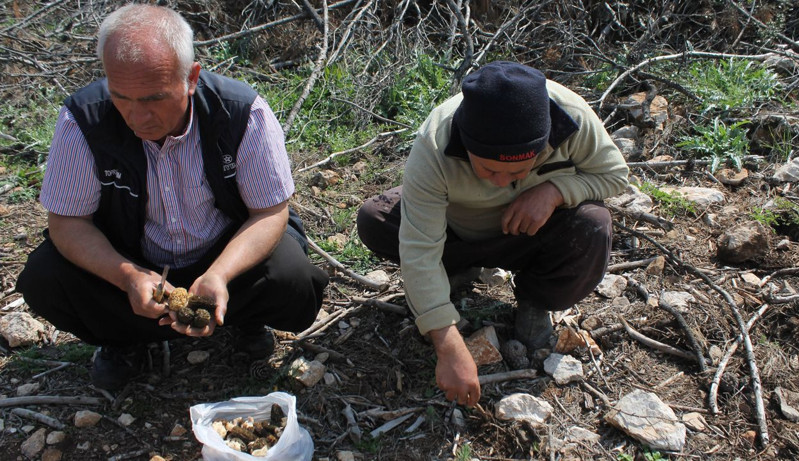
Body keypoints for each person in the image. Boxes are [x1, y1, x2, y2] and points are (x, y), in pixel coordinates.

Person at [16, 4, 328, 390]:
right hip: (131, 261)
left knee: (291, 275)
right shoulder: (83, 120)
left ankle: (242, 318)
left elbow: (269, 212)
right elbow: (67, 222)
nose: (136, 117)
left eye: (153, 99)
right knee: (45, 278)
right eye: (122, 97)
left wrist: (220, 274)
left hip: (222, 255)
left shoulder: (241, 112)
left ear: (191, 77)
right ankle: (121, 340)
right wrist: (126, 275)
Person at [356, 61, 629, 407]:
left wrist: (555, 191)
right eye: (487, 168)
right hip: (456, 231)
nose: (502, 182)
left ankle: (536, 300)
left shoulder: (570, 116)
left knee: (594, 224)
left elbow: (616, 175)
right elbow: (419, 248)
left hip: (530, 236)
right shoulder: (435, 141)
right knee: (375, 218)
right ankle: (456, 271)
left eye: (517, 170)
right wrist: (446, 340)